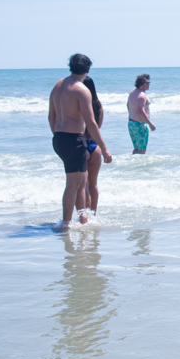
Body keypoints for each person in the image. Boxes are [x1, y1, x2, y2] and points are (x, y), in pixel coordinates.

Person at [47, 54, 112, 231]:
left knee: (80, 182)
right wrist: (104, 148)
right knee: (73, 184)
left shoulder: (58, 85)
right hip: (73, 139)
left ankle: (82, 219)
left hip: (59, 137)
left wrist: (57, 136)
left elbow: (51, 116)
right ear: (88, 69)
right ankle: (66, 223)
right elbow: (91, 123)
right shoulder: (81, 90)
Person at [76, 76, 106, 215]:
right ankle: (93, 214)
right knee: (93, 184)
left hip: (81, 143)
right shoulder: (98, 105)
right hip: (95, 145)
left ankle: (84, 216)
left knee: (82, 185)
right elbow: (97, 126)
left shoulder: (79, 103)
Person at [127, 74, 155, 154]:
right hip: (140, 125)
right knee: (142, 149)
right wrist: (150, 124)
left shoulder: (132, 92)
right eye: (147, 83)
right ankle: (139, 162)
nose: (149, 84)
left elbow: (128, 105)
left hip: (132, 123)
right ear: (142, 84)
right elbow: (140, 110)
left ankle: (133, 161)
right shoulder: (142, 95)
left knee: (136, 148)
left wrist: (132, 115)